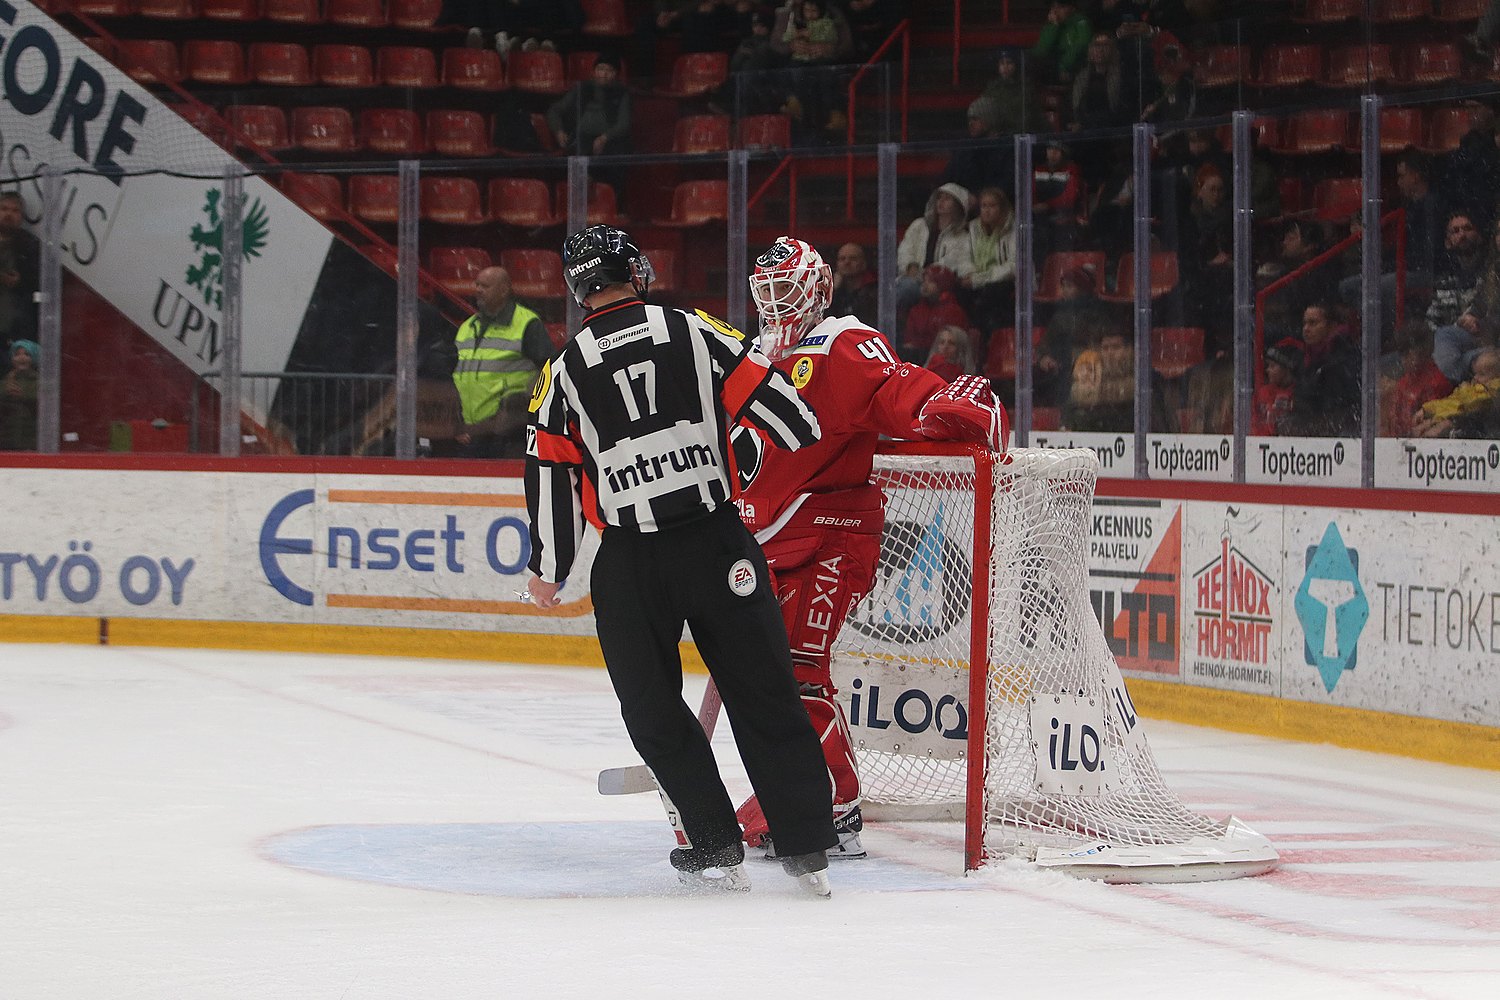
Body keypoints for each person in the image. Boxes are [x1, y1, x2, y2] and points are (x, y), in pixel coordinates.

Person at [524, 224, 836, 895]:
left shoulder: (563, 369)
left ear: (580, 290)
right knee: (765, 692)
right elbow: (791, 416)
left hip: (632, 564)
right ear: (632, 272)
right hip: (718, 543)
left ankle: (714, 839)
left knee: (652, 709)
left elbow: (549, 470)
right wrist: (757, 448)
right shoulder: (692, 328)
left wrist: (549, 568)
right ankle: (807, 844)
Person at [733, 235, 1008, 861]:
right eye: (765, 294)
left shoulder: (842, 345)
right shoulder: (755, 357)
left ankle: (832, 804)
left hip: (827, 536)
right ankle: (801, 790)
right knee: (768, 679)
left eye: (785, 290)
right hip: (766, 542)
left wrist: (949, 400)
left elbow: (897, 393)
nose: (774, 306)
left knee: (797, 675)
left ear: (816, 288)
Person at [451, 266, 551, 458]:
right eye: (477, 285)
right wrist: (457, 423)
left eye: (485, 286)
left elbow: (548, 370)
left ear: (504, 290)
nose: (478, 290)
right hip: (470, 433)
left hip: (509, 434)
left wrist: (524, 407)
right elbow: (457, 376)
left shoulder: (527, 323)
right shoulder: (467, 327)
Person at [895, 181, 973, 319]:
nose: (941, 202)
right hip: (912, 278)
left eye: (947, 198)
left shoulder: (963, 237)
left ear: (958, 204)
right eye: (939, 197)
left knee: (907, 289)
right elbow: (905, 250)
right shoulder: (919, 226)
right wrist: (910, 266)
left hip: (938, 285)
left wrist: (930, 275)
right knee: (903, 287)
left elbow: (957, 263)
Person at [1285, 302, 1361, 438]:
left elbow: (1342, 408)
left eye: (1313, 323)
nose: (1306, 329)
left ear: (1331, 326)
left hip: (1337, 434)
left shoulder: (1344, 358)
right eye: (1304, 323)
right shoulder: (1301, 359)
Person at [546, 53, 631, 158]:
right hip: (581, 139)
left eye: (609, 70)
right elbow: (555, 110)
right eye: (600, 69)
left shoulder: (622, 93)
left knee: (618, 150)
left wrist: (604, 138)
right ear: (594, 71)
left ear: (616, 74)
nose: (603, 74)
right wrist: (558, 131)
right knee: (576, 150)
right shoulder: (582, 88)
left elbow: (623, 124)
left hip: (610, 142)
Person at [960, 186, 1018, 339]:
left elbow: (1013, 268)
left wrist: (978, 279)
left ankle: (987, 341)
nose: (987, 210)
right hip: (977, 280)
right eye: (984, 206)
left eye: (992, 206)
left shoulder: (1013, 230)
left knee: (993, 293)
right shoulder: (973, 228)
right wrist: (969, 273)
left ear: (1003, 208)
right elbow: (964, 257)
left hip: (1004, 282)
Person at [1381, 321, 1451, 438]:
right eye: (1404, 353)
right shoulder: (1403, 383)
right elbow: (1392, 425)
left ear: (1427, 350)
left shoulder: (1437, 383)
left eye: (1412, 351)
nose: (1408, 357)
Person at [901, 265, 972, 362]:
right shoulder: (916, 310)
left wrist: (920, 345)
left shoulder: (953, 311)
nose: (925, 285)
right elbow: (909, 342)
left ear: (942, 284)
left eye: (930, 281)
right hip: (918, 361)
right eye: (924, 281)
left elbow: (949, 347)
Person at [0, 192, 40, 353]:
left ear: (22, 216)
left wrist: (20, 281)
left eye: (15, 210)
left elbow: (40, 282)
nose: (9, 214)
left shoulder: (29, 246)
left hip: (10, 330)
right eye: (4, 209)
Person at [1030, 0, 1092, 84]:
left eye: (1060, 7)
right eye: (1053, 7)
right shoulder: (1051, 25)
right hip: (1055, 65)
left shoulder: (1080, 22)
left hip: (1074, 64)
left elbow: (1081, 45)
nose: (1055, 11)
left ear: (1072, 8)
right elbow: (1041, 50)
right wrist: (1054, 26)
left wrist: (1064, 66)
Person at [1252, 338, 1301, 437]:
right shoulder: (1263, 393)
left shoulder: (1298, 394)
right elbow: (1252, 422)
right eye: (1268, 365)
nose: (1268, 370)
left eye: (1273, 366)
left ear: (1287, 368)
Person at [0, 338, 38, 451]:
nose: (22, 358)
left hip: (32, 442)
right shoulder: (4, 382)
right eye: (17, 354)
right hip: (5, 442)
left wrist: (24, 396)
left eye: (27, 354)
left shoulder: (41, 382)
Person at [829, 241, 877, 325]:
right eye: (842, 259)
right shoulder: (836, 292)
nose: (847, 262)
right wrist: (833, 290)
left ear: (863, 263)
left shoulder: (874, 291)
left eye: (853, 258)